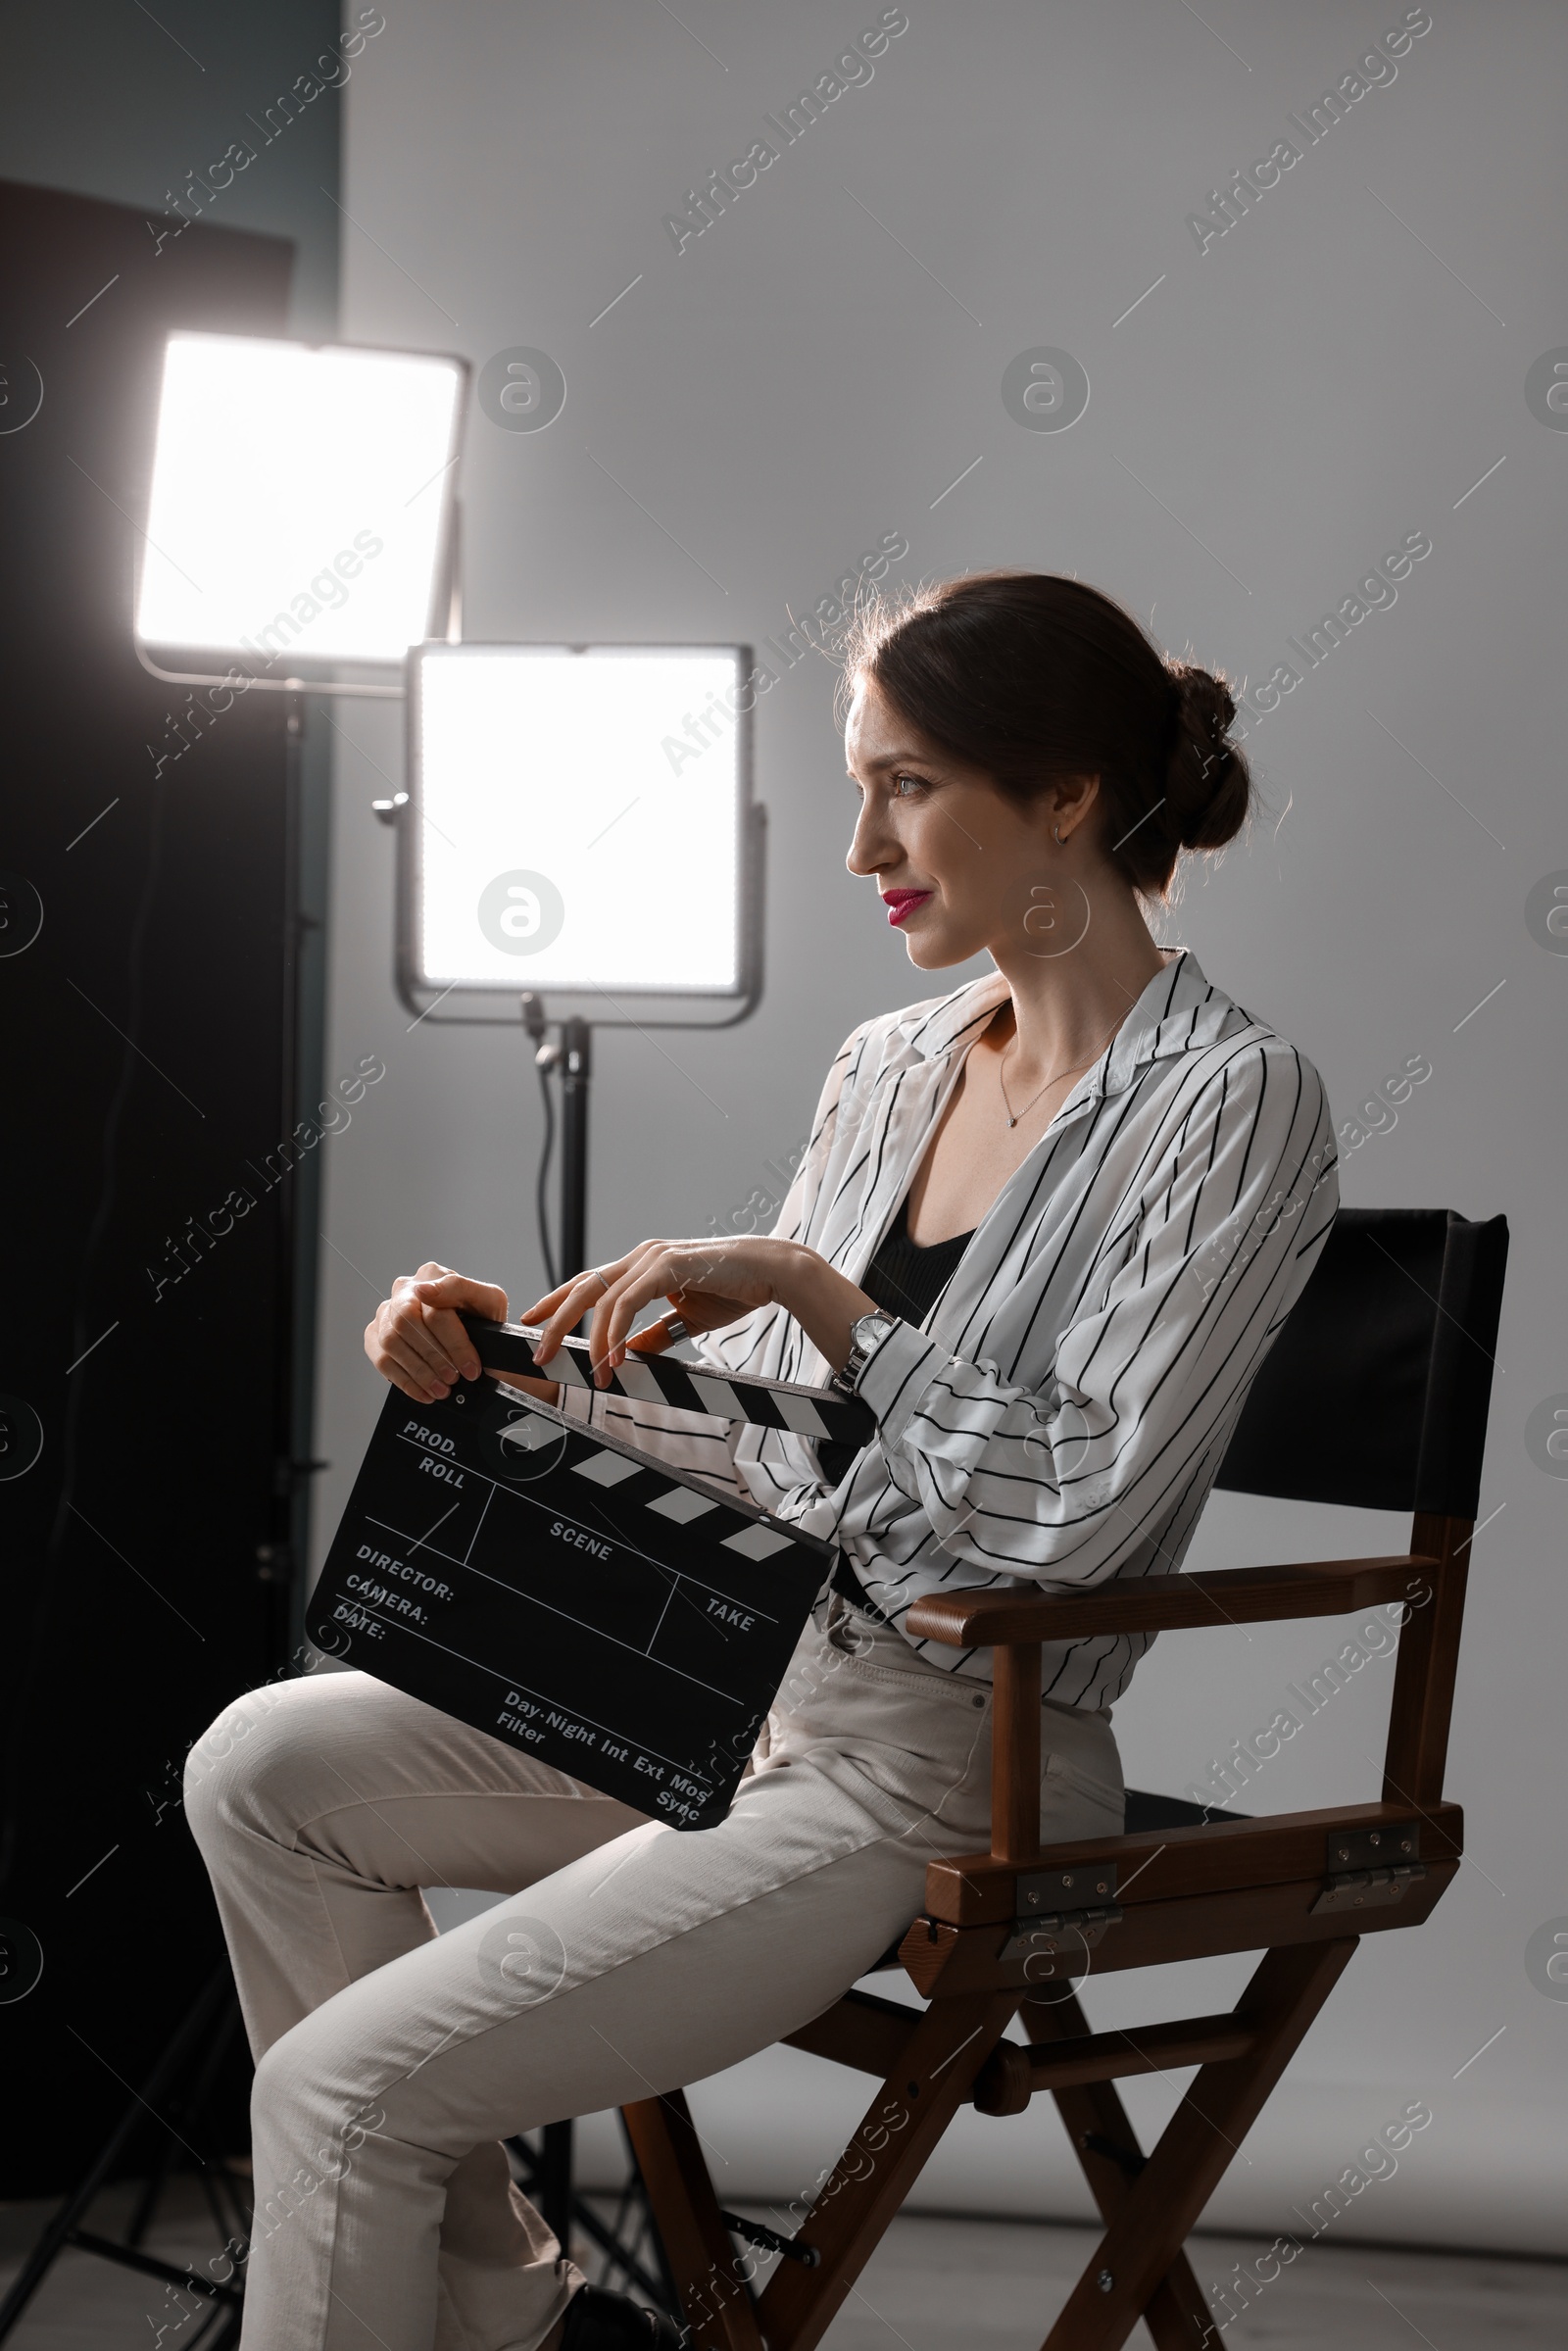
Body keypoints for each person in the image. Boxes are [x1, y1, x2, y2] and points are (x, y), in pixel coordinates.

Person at [186, 572, 1338, 2351]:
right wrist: (509, 1365)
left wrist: (829, 1303)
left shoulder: (1234, 1099)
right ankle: (515, 2325)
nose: (865, 836)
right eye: (863, 780)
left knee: (340, 2099)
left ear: (1066, 800)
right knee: (262, 1762)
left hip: (959, 1763)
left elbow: (1076, 1517)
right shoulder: (887, 1065)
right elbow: (756, 1441)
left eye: (911, 785)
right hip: (741, 1679)